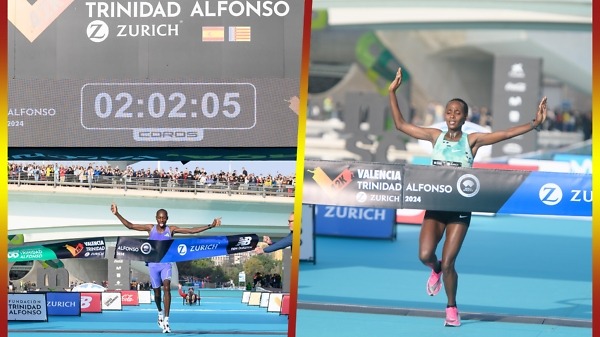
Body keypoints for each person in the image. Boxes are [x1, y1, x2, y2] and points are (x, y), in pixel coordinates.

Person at [388, 67, 547, 327]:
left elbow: (505, 134)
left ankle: (451, 309)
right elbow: (401, 125)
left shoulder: (472, 141)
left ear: (464, 118)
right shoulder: (434, 136)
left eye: (457, 113)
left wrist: (534, 123)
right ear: (445, 115)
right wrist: (391, 92)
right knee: (426, 255)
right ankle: (434, 269)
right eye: (449, 112)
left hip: (460, 210)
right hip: (436, 207)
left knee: (450, 262)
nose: (452, 116)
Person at [110, 203, 221, 333]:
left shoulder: (171, 229)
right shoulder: (150, 228)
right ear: (156, 218)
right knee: (157, 293)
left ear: (167, 218)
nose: (161, 220)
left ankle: (167, 321)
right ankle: (160, 313)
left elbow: (191, 230)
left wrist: (210, 226)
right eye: (159, 218)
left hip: (166, 264)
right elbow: (130, 226)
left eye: (164, 218)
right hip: (153, 265)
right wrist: (116, 213)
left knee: (166, 288)